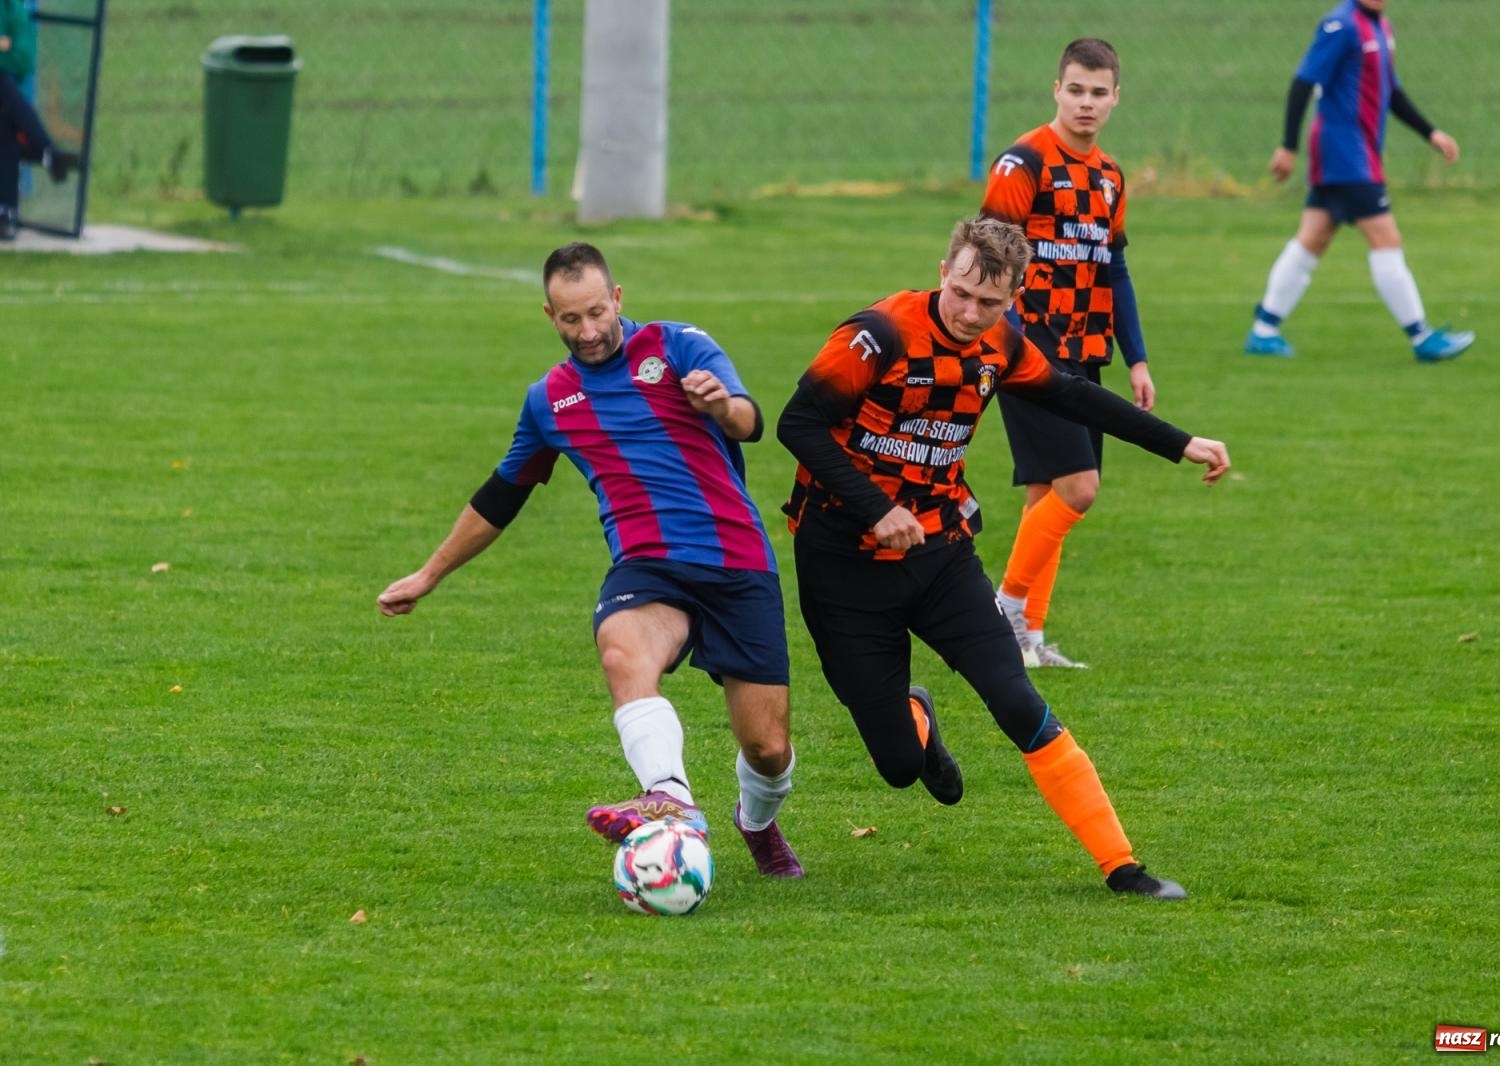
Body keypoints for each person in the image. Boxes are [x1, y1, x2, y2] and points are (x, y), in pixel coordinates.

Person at [776, 216, 1230, 899]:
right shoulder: (880, 334)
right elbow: (798, 423)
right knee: (899, 765)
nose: (969, 313)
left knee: (1017, 699)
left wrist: (1180, 442)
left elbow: (1073, 394)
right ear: (943, 272)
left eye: (988, 302)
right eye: (961, 293)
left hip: (941, 555)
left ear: (1014, 297)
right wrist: (877, 508)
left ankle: (1122, 866)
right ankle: (915, 716)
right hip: (842, 564)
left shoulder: (1001, 344)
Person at [377, 242, 803, 878]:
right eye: (571, 319)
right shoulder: (549, 399)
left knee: (767, 747)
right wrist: (428, 574)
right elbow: (503, 493)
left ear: (617, 298)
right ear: (549, 315)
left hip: (735, 557)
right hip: (646, 564)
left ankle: (757, 822)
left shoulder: (677, 345)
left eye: (598, 313)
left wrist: (720, 406)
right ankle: (669, 797)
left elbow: (749, 421)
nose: (588, 331)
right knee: (620, 649)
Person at [978, 37, 1150, 670]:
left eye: (1098, 93)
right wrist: (1007, 341)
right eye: (1075, 89)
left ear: (1115, 99)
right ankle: (1004, 609)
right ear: (1057, 89)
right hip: (1030, 349)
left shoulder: (1109, 176)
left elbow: (1115, 270)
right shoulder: (1023, 162)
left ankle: (1028, 637)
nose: (1086, 102)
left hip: (1085, 350)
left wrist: (1137, 358)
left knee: (1046, 494)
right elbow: (989, 256)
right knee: (1080, 488)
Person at [1243, 0, 1473, 362]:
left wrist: (1431, 133)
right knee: (1385, 237)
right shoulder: (1341, 25)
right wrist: (1288, 146)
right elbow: (1303, 82)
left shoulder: (1380, 26)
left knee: (1313, 237)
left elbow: (1391, 92)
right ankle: (1421, 336)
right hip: (1344, 154)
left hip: (1356, 154)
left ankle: (1264, 330)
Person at [1, 0, 78, 240]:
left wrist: (7, 49)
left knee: (5, 123)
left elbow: (23, 60)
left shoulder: (14, 8)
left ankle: (5, 213)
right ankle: (47, 151)